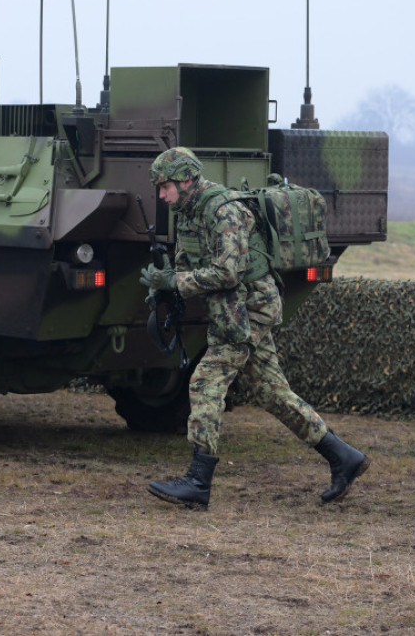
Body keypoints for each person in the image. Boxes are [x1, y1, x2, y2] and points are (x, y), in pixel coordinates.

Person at [139, 147, 370, 510]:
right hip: (236, 311)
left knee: (204, 383)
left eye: (165, 186)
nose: (161, 194)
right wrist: (165, 281)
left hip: (250, 311)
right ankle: (344, 457)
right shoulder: (188, 212)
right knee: (272, 393)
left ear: (185, 180)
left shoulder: (222, 210)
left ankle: (198, 482)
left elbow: (228, 272)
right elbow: (190, 260)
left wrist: (175, 281)